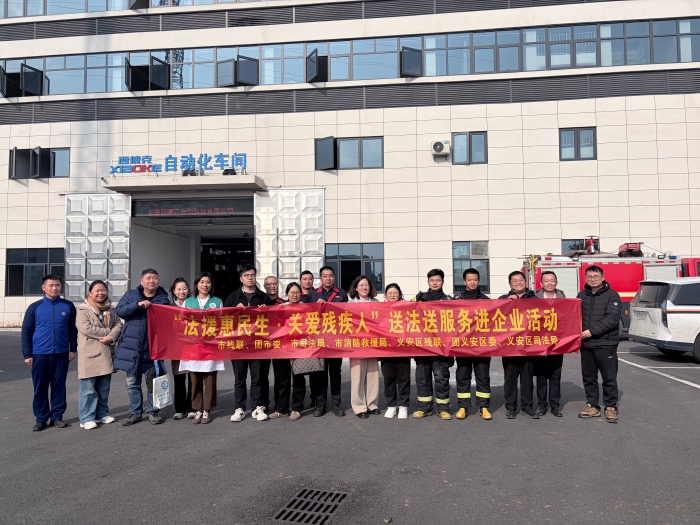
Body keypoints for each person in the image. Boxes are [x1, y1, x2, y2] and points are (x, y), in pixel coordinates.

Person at [114, 268, 171, 426]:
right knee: (132, 382)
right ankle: (135, 412)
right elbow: (120, 311)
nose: (151, 281)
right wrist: (137, 305)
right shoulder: (131, 295)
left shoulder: (164, 300)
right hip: (131, 348)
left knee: (153, 382)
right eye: (148, 278)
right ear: (141, 281)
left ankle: (153, 411)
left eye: (154, 278)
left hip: (152, 349)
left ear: (158, 281)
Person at [21, 274, 77, 431]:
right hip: (39, 354)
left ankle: (57, 417)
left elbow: (72, 329)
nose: (54, 288)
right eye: (51, 285)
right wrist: (27, 354)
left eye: (57, 285)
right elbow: (26, 331)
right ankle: (41, 418)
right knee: (40, 387)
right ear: (43, 287)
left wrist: (72, 349)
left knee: (59, 386)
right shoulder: (35, 307)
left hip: (61, 353)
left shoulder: (68, 306)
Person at [224, 264, 275, 422]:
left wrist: (266, 311)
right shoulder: (233, 297)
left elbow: (274, 321)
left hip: (257, 345)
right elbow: (223, 320)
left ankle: (257, 407)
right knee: (239, 379)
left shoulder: (263, 297)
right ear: (241, 279)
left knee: (257, 378)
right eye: (246, 275)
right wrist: (234, 311)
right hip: (238, 346)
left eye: (252, 275)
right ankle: (239, 408)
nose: (250, 278)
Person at [76, 280, 123, 430]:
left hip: (106, 354)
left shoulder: (111, 309)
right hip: (89, 355)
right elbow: (86, 328)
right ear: (90, 293)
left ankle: (102, 413)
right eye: (97, 290)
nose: (100, 293)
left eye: (103, 290)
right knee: (88, 389)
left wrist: (111, 337)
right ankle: (86, 417)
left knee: (104, 388)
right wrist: (108, 333)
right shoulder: (83, 309)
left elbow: (119, 324)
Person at [577, 265, 621, 424]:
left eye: (596, 276)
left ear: (603, 278)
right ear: (585, 278)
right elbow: (575, 316)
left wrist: (591, 331)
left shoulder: (612, 295)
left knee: (609, 377)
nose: (593, 279)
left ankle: (610, 407)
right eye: (589, 277)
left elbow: (612, 318)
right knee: (589, 377)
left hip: (605, 343)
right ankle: (592, 405)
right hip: (586, 345)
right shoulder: (581, 295)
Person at [303, 265, 349, 417]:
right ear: (320, 278)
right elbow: (305, 315)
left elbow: (346, 314)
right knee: (320, 374)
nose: (328, 278)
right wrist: (315, 307)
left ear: (334, 277)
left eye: (330, 275)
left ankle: (336, 405)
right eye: (325, 276)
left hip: (335, 341)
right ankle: (320, 405)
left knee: (335, 374)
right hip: (319, 342)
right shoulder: (313, 294)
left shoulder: (342, 293)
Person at [180, 272, 224, 425]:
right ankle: (197, 409)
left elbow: (221, 323)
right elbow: (182, 322)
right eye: (202, 282)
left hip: (210, 346)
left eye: (208, 282)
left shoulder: (217, 302)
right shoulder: (188, 301)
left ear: (211, 285)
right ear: (197, 284)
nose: (205, 285)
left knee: (210, 379)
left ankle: (207, 410)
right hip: (192, 346)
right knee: (195, 379)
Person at [413, 269, 453, 421]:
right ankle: (424, 408)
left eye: (438, 280)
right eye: (432, 280)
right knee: (422, 378)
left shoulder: (449, 301)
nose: (435, 283)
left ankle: (443, 409)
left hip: (441, 348)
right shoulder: (419, 299)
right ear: (428, 282)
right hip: (423, 347)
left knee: (441, 378)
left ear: (443, 282)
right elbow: (403, 312)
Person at [499, 270, 539, 420]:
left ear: (525, 282)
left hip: (529, 346)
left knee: (527, 378)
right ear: (510, 284)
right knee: (510, 378)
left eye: (521, 280)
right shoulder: (503, 299)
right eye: (514, 281)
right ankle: (510, 407)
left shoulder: (535, 299)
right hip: (510, 346)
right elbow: (494, 318)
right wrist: (506, 303)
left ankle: (527, 407)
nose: (518, 283)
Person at [455, 268, 492, 421]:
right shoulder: (456, 301)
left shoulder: (487, 301)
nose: (472, 282)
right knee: (463, 376)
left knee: (483, 376)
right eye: (469, 280)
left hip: (482, 346)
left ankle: (484, 407)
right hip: (463, 346)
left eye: (475, 279)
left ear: (478, 281)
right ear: (464, 281)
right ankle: (463, 407)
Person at [287, 282, 323, 421]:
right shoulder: (282, 308)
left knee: (315, 376)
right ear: (287, 294)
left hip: (307, 347)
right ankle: (297, 408)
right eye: (292, 292)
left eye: (297, 292)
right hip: (291, 349)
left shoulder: (308, 308)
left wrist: (321, 306)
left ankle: (317, 402)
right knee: (297, 380)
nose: (295, 295)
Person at [348, 275, 381, 419]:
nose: (364, 287)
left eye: (366, 285)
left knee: (373, 375)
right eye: (361, 285)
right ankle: (359, 407)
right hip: (356, 345)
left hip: (373, 344)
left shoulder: (376, 303)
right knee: (357, 376)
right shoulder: (349, 304)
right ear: (356, 288)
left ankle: (372, 404)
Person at [535, 271, 566, 417]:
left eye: (552, 280)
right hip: (539, 344)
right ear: (541, 283)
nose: (549, 283)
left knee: (555, 376)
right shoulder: (534, 299)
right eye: (546, 281)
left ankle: (555, 406)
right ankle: (542, 405)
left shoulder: (563, 299)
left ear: (556, 283)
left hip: (557, 344)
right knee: (541, 376)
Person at [381, 283, 410, 420]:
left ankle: (403, 406)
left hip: (403, 348)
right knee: (389, 379)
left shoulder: (407, 308)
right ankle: (391, 406)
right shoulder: (379, 309)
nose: (392, 295)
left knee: (404, 379)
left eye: (395, 293)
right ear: (386, 295)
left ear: (400, 294)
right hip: (386, 350)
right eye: (390, 293)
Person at [170, 277, 194, 419]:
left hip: (192, 346)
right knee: (179, 377)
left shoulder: (195, 304)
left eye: (184, 288)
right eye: (178, 289)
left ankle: (192, 408)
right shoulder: (168, 307)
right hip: (177, 347)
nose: (182, 291)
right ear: (174, 291)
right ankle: (179, 409)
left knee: (193, 377)